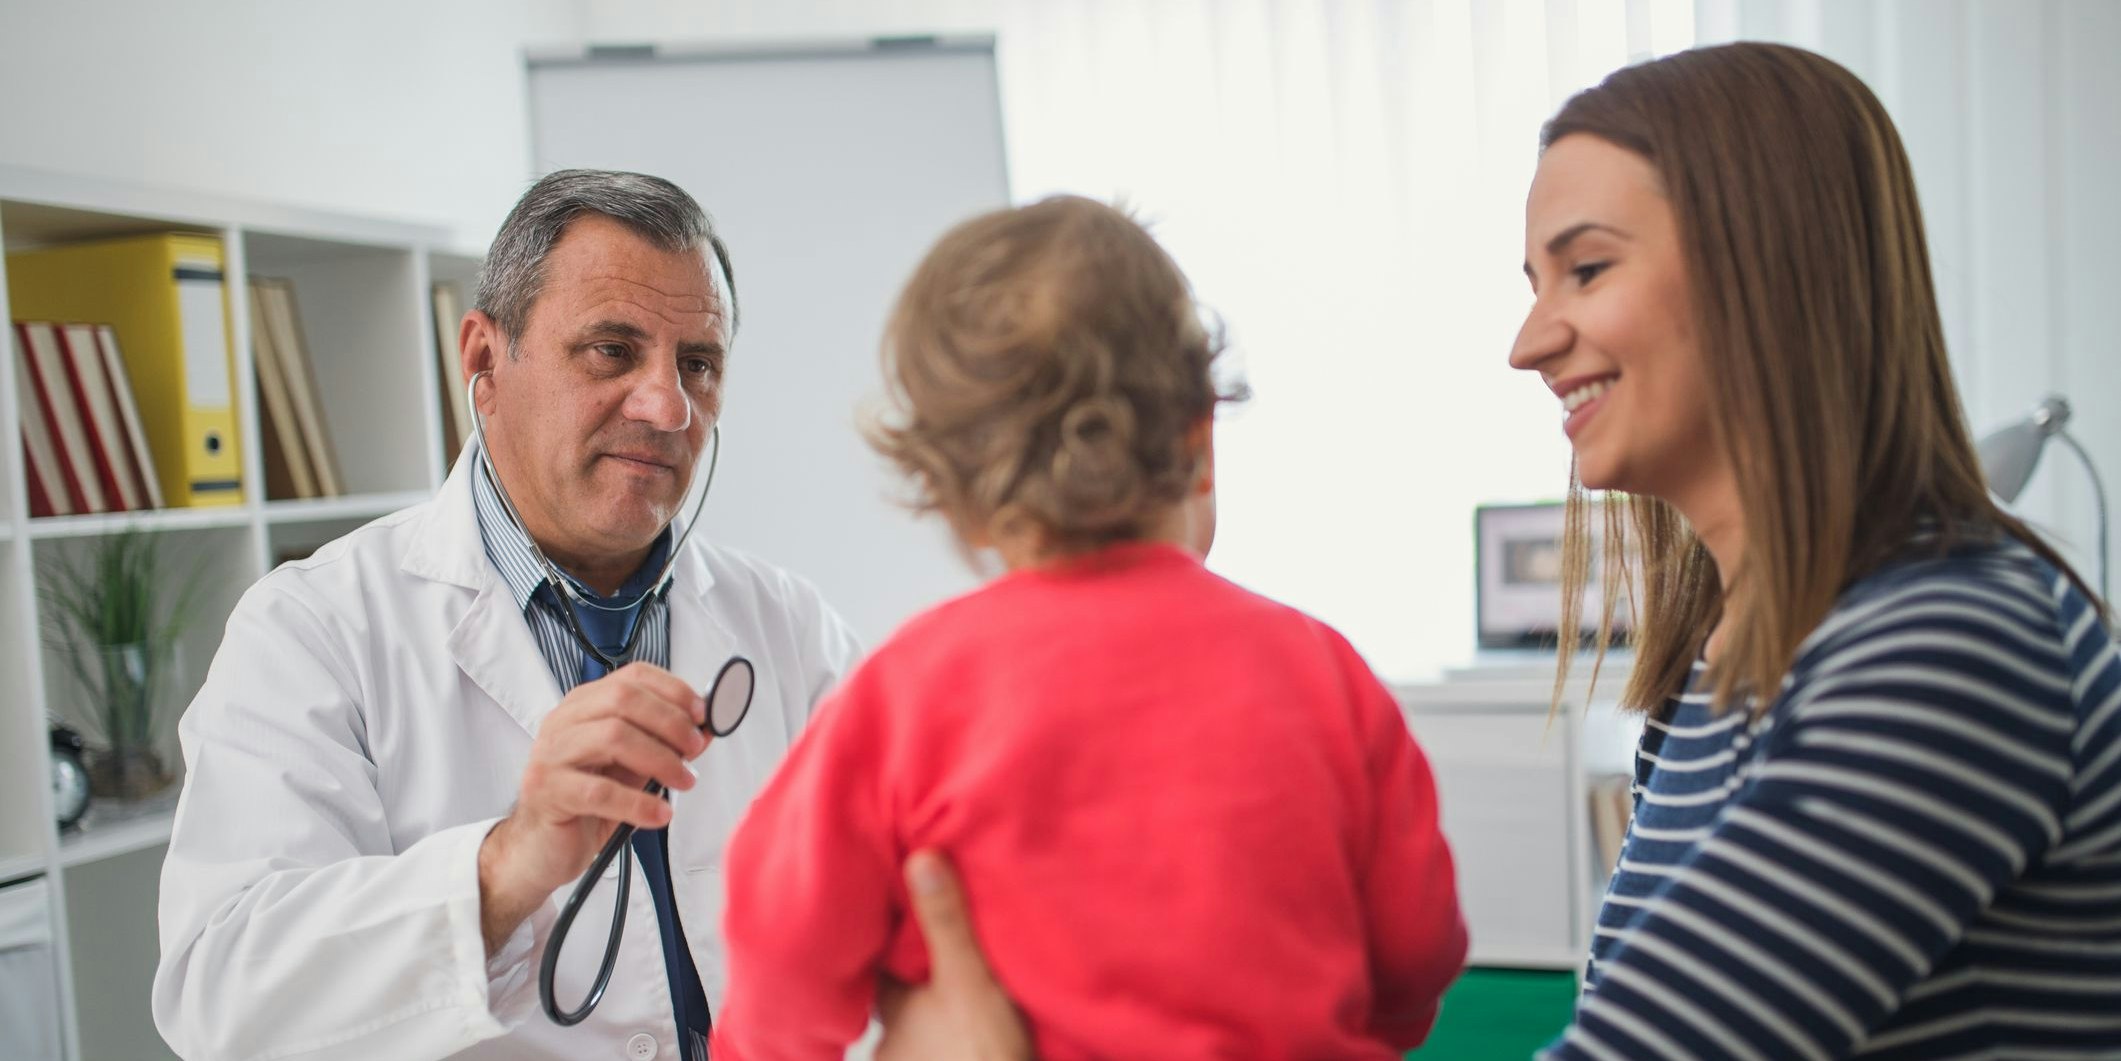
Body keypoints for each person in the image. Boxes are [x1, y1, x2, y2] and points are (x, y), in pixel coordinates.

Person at [857, 42, 2121, 1060]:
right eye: (1534, 279)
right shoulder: (1726, 664)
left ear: (1764, 267)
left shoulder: (1944, 640)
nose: (1529, 340)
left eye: (1583, 269)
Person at [709, 196, 1467, 1060]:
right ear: (1197, 437)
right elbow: (1416, 954)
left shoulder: (910, 690)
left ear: (954, 494)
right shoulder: (1323, 672)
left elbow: (779, 953)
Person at [153, 169, 862, 1061]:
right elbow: (222, 997)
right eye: (611, 349)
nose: (667, 405)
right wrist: (503, 868)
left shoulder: (788, 627)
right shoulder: (314, 628)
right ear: (485, 362)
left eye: (697, 363)